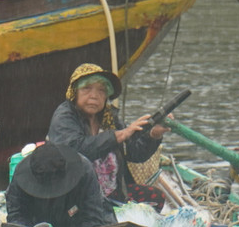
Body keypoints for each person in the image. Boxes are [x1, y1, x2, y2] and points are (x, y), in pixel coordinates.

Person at [46, 62, 166, 206]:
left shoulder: (109, 118)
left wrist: (153, 135)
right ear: (74, 92)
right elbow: (75, 150)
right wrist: (119, 135)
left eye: (101, 91)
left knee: (155, 197)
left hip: (112, 194)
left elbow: (134, 154)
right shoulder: (64, 116)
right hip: (75, 196)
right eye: (86, 89)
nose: (94, 96)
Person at [4, 143, 117, 227]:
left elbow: (93, 215)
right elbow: (16, 215)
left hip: (76, 221)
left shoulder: (84, 171)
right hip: (37, 226)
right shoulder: (20, 176)